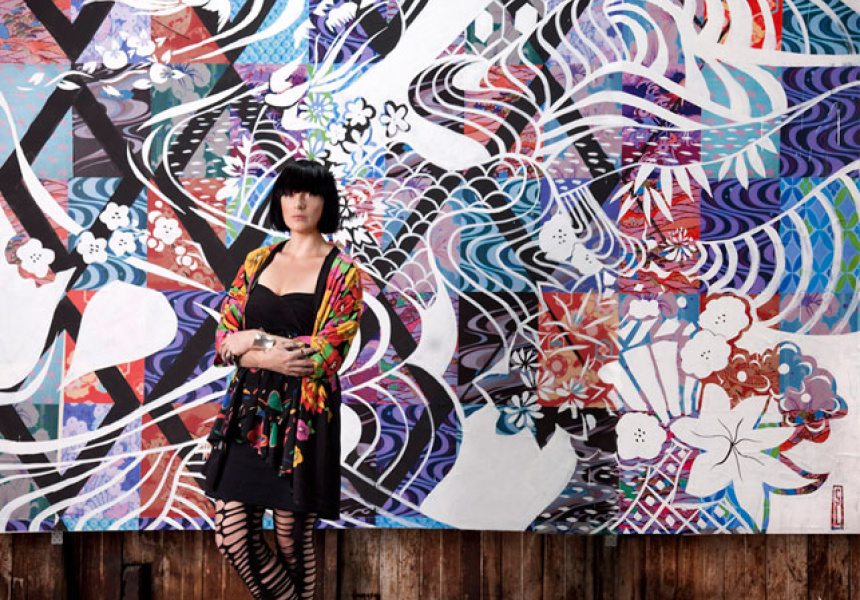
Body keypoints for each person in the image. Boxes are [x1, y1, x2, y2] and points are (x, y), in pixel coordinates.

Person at [200, 159, 364, 600]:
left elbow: (324, 355)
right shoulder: (258, 260)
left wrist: (252, 343)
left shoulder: (343, 271)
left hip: (304, 418)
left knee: (292, 537)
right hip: (247, 414)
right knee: (233, 537)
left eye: (310, 193)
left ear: (326, 202)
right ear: (279, 200)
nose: (299, 202)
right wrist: (259, 348)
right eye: (290, 192)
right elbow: (224, 340)